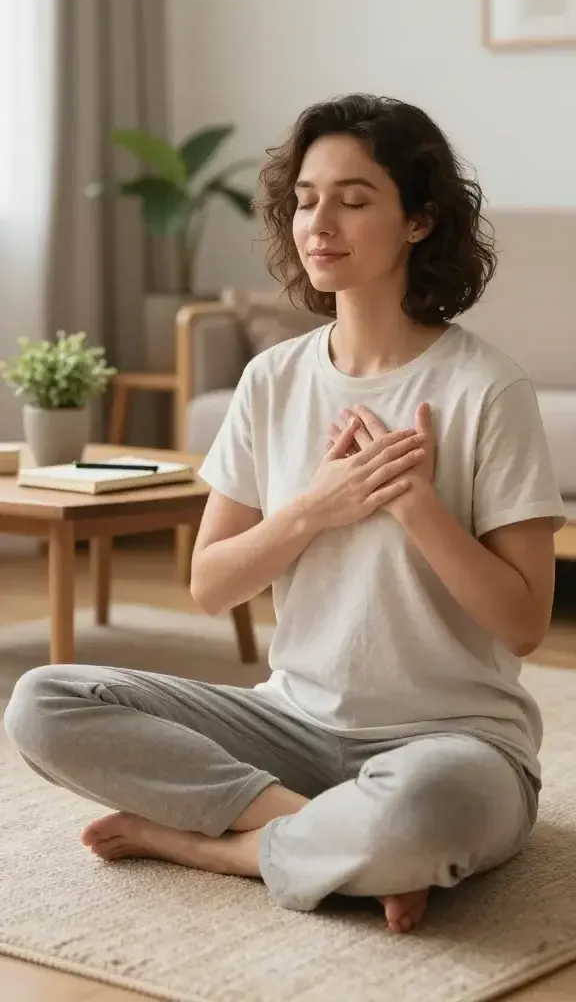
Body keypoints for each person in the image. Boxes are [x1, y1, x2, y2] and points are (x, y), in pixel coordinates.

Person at [4, 94, 565, 934]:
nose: (319, 222)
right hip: (289, 721)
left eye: (354, 197)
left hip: (452, 743)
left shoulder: (486, 388)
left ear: (420, 221)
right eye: (305, 198)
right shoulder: (272, 381)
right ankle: (331, 836)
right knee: (43, 703)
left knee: (423, 814)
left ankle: (220, 844)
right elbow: (210, 586)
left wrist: (415, 506)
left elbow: (524, 624)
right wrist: (315, 509)